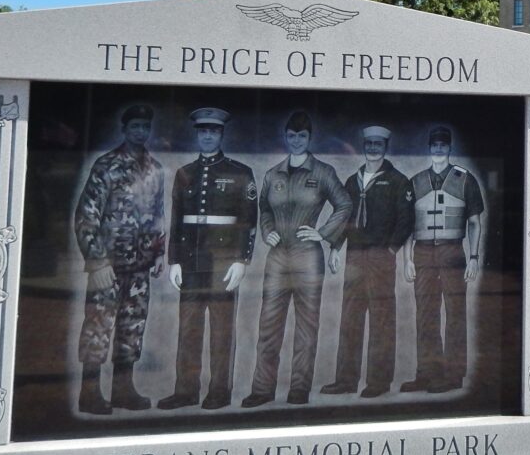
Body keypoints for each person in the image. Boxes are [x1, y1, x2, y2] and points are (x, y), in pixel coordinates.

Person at [242, 111, 352, 407]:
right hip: (278, 257)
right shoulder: (273, 173)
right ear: (286, 137)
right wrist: (267, 232)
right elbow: (264, 208)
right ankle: (263, 389)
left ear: (309, 138)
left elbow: (344, 204)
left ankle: (299, 389)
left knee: (306, 326)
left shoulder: (323, 172)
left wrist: (324, 233)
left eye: (302, 136)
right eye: (291, 136)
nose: (296, 141)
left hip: (307, 258)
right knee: (269, 323)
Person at [158, 108, 257, 411]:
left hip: (223, 262)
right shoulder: (184, 173)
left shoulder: (240, 172)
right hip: (190, 261)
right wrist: (173, 259)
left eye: (213, 131)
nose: (207, 136)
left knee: (221, 329)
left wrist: (242, 259)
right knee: (188, 328)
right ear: (197, 134)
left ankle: (219, 391)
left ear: (221, 134)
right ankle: (185, 390)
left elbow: (249, 220)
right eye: (203, 131)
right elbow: (175, 219)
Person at [74, 105, 165, 415]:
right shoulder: (107, 166)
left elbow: (157, 214)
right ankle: (89, 393)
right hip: (109, 267)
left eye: (145, 126)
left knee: (132, 328)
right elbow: (87, 216)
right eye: (135, 126)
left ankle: (123, 390)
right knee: (98, 327)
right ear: (125, 129)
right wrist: (97, 262)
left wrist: (159, 252)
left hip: (140, 265)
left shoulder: (156, 169)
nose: (140, 131)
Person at [321, 126, 413, 399]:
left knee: (382, 319)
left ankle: (379, 381)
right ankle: (346, 380)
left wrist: (391, 250)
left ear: (386, 146)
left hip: (380, 256)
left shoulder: (398, 181)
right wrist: (336, 248)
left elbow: (406, 219)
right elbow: (345, 218)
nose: (373, 148)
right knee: (350, 317)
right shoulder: (353, 180)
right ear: (364, 145)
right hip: (354, 256)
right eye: (369, 143)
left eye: (378, 143)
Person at [402, 126, 483, 394]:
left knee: (455, 313)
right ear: (429, 147)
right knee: (425, 313)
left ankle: (454, 374)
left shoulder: (464, 179)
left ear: (449, 147)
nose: (438, 149)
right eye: (434, 144)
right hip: (423, 251)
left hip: (452, 251)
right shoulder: (415, 181)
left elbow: (474, 222)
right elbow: (408, 225)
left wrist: (473, 256)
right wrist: (407, 259)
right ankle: (427, 373)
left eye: (443, 144)